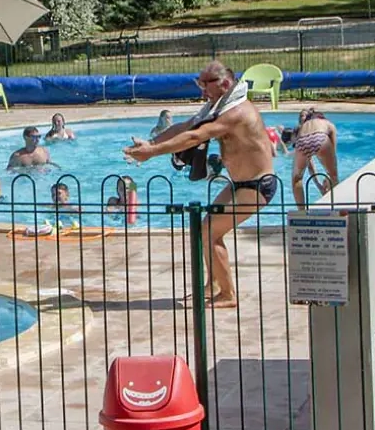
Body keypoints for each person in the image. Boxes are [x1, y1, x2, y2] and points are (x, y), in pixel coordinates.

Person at [124, 60, 271, 307]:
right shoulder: (217, 106)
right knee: (204, 231)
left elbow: (196, 136)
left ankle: (228, 295)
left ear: (224, 84)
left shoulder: (237, 112)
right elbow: (186, 126)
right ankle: (213, 284)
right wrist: (151, 144)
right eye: (199, 83)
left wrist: (154, 152)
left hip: (257, 186)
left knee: (210, 232)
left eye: (205, 84)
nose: (201, 89)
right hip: (240, 184)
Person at [290, 108, 339, 208]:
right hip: (320, 137)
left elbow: (309, 163)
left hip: (302, 141)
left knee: (296, 179)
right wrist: (329, 176)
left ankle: (301, 211)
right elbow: (333, 152)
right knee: (333, 175)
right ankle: (334, 206)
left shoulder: (304, 126)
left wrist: (317, 182)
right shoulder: (328, 123)